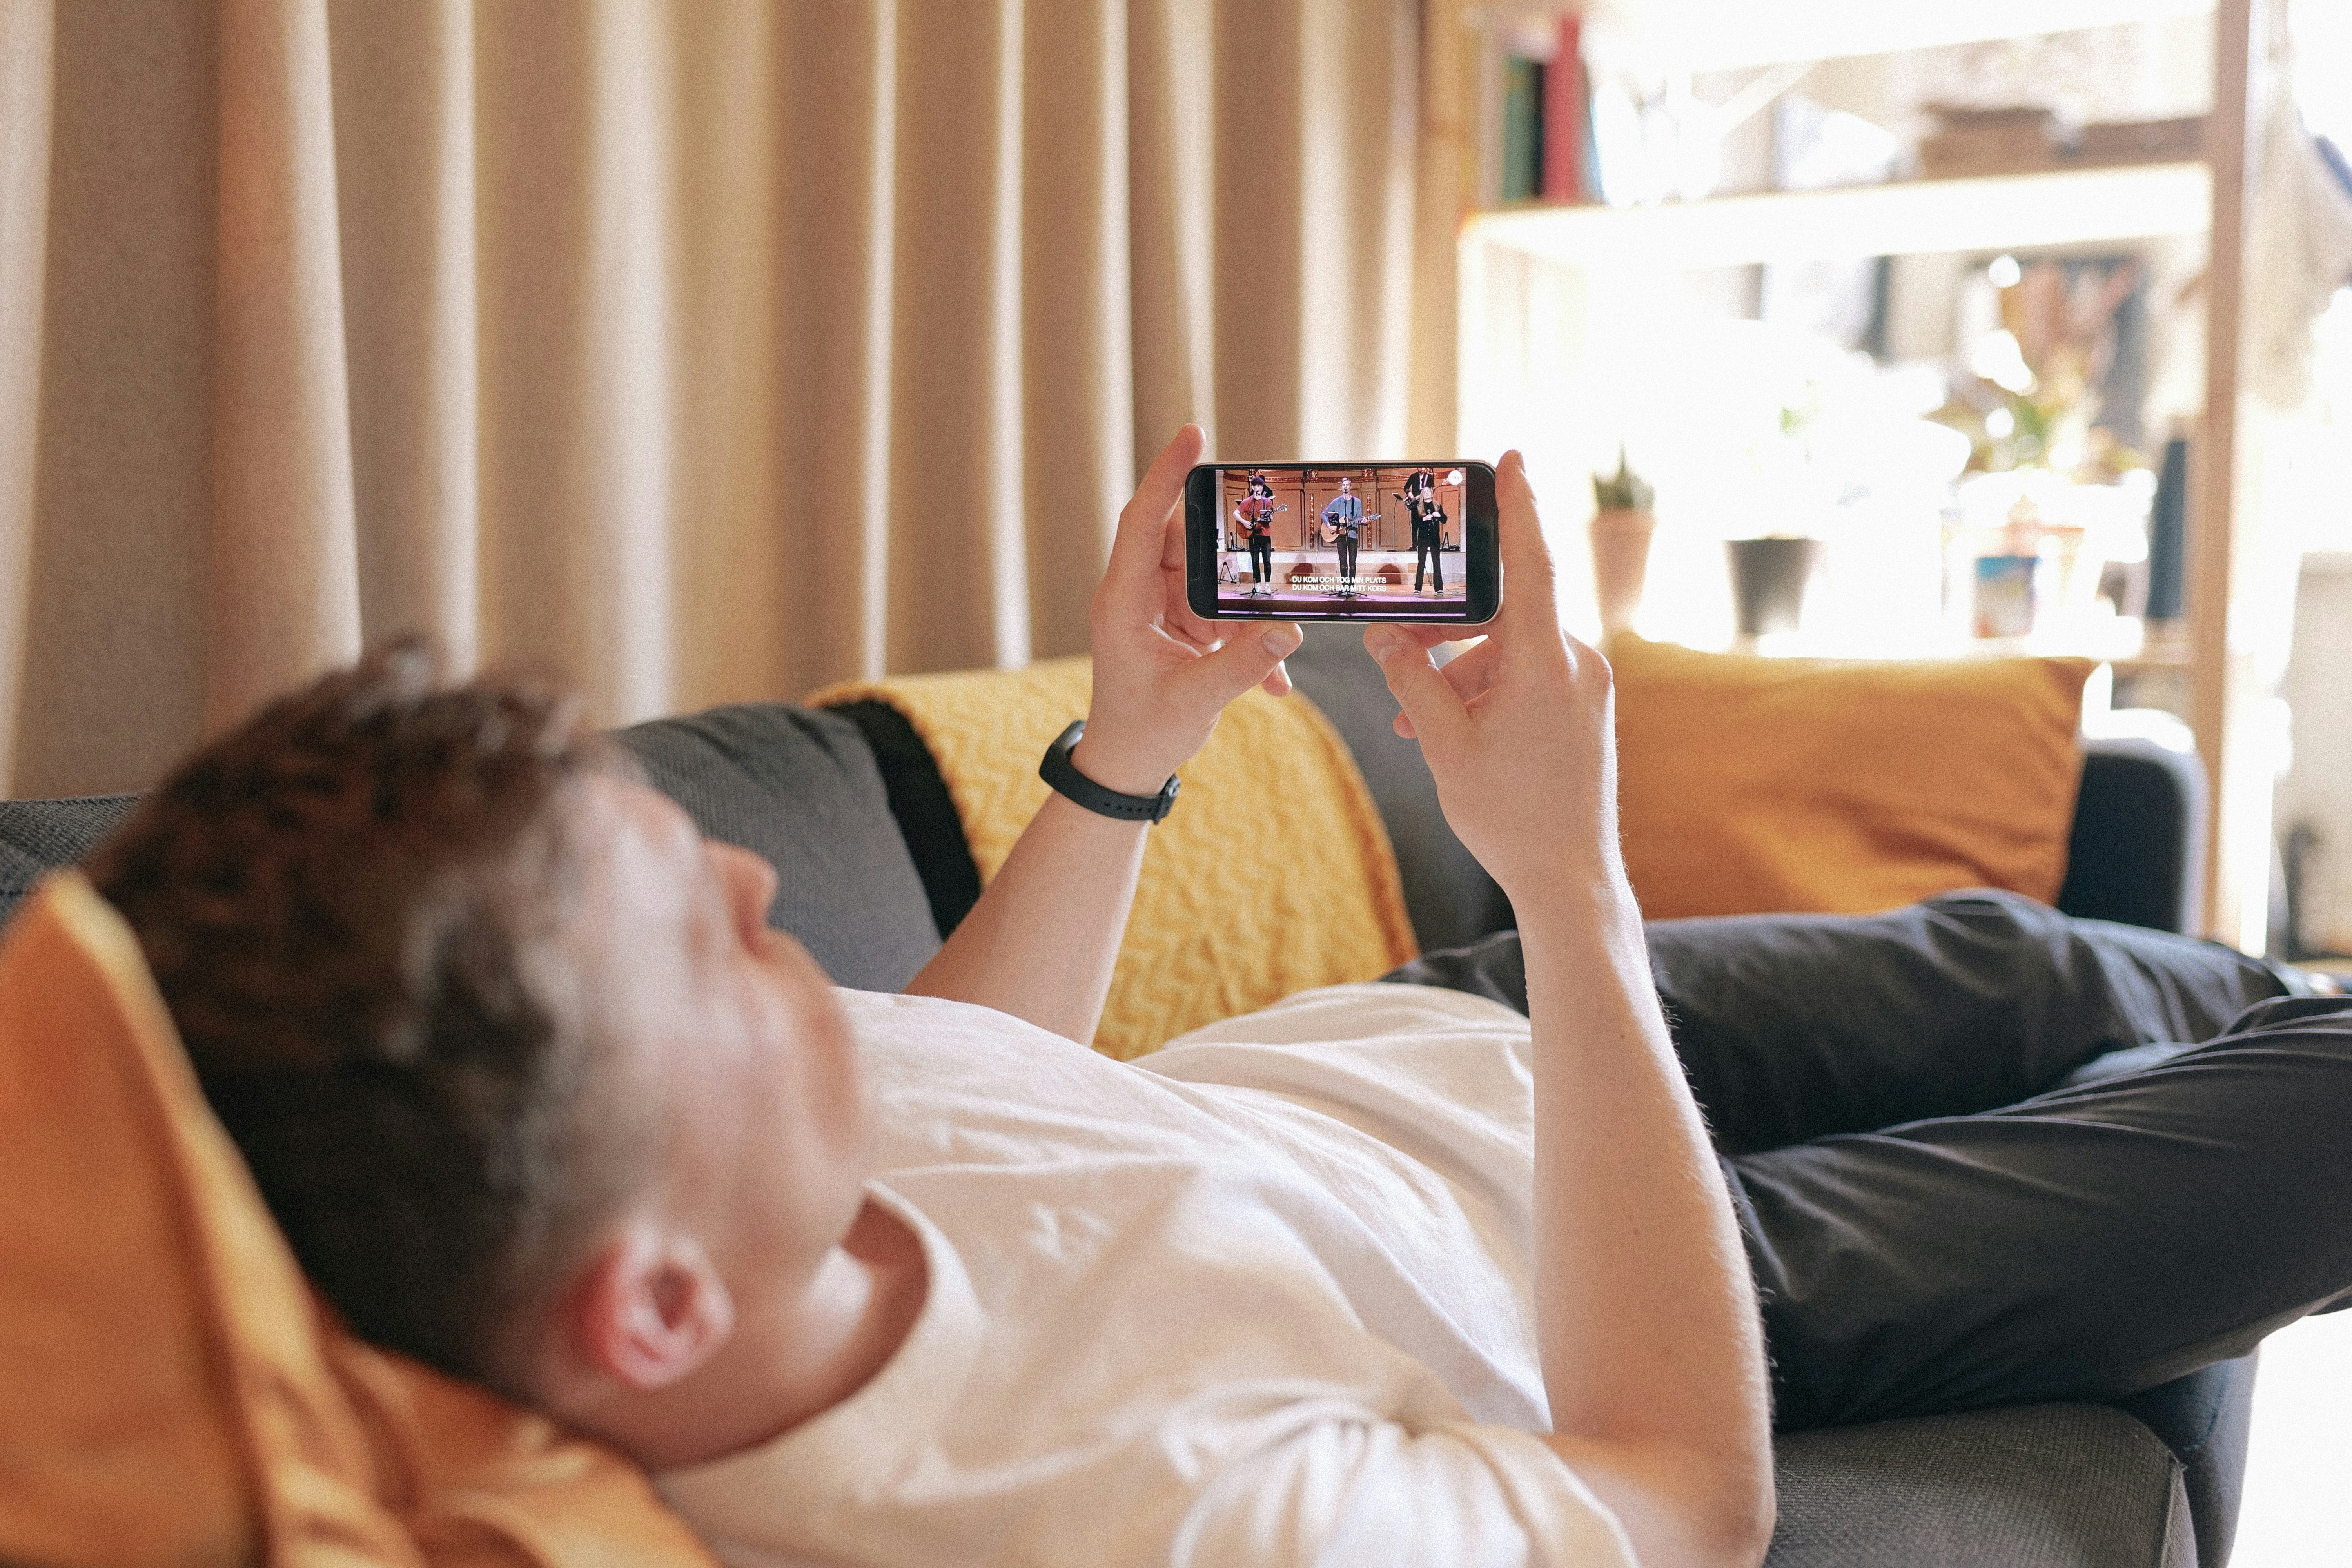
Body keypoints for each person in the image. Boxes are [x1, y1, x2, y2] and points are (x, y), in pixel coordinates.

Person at [86, 426, 2352, 1568]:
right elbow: (1673, 1492)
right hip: (1609, 1250)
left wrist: (1131, 735)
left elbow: (960, 1067)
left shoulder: (671, 1178)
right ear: (650, 1318)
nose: (772, 894)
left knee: (2078, 960)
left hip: (1421, 1032)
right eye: (710, 944)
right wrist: (1564, 868)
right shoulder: (1138, 1519)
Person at [1234, 470, 1278, 595]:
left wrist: (1269, 517)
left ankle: (1268, 585)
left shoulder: (1267, 502)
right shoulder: (1248, 502)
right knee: (1255, 561)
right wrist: (1244, 522)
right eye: (1257, 486)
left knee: (1267, 561)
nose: (1259, 488)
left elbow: (1271, 518)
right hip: (1253, 535)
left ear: (1263, 487)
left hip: (1265, 535)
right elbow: (1236, 513)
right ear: (1253, 487)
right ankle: (1258, 584)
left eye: (1261, 486)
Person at [1321, 475, 1366, 595]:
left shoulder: (1357, 502)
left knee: (1352, 563)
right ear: (1341, 488)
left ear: (1351, 487)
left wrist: (1364, 521)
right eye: (1344, 485)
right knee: (1343, 563)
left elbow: (1359, 518)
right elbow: (1324, 514)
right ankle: (1345, 586)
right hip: (1340, 536)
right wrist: (1329, 526)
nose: (1346, 487)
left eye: (1348, 485)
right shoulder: (1337, 502)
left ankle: (1351, 587)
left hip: (1353, 536)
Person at [1405, 467, 1446, 593]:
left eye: (1429, 492)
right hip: (1422, 539)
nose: (1428, 494)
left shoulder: (1437, 506)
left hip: (1434, 538)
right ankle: (1418, 588)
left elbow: (1445, 519)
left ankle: (1439, 588)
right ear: (1423, 495)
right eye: (1426, 493)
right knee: (1421, 563)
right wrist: (1424, 519)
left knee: (1436, 563)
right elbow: (1416, 523)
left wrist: (1440, 516)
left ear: (1432, 494)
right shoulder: (1419, 507)